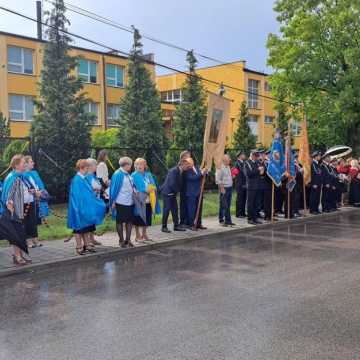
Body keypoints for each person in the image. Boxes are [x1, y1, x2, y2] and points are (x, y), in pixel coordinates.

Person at [68, 159, 106, 255]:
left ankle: (87, 244)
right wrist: (78, 208)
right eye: (86, 168)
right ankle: (79, 246)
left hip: (87, 206)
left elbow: (88, 192)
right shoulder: (77, 180)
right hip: (80, 208)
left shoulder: (83, 178)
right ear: (82, 168)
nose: (87, 170)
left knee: (87, 226)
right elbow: (76, 196)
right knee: (79, 228)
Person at [0, 155, 31, 266]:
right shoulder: (15, 178)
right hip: (14, 212)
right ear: (17, 165)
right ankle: (18, 257)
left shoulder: (14, 176)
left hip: (16, 210)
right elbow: (9, 195)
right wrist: (11, 208)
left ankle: (19, 255)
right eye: (23, 163)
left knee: (17, 234)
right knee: (16, 235)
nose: (25, 164)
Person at [131, 158, 161, 242]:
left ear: (145, 166)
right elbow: (135, 187)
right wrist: (145, 190)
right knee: (138, 217)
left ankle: (144, 234)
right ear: (135, 166)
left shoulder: (148, 174)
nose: (139, 166)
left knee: (147, 218)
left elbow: (153, 184)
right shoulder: (133, 175)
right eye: (137, 164)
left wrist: (153, 188)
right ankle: (137, 235)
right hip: (139, 200)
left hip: (149, 199)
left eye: (141, 164)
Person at [110, 157, 136, 247]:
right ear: (127, 164)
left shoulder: (127, 174)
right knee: (120, 221)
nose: (131, 166)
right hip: (120, 202)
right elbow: (114, 189)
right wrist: (113, 201)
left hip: (130, 202)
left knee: (129, 221)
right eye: (130, 165)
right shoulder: (118, 174)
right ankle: (121, 240)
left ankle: (128, 240)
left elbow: (132, 185)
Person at [161, 158, 191, 233]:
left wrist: (176, 192)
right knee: (166, 210)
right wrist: (177, 192)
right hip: (167, 193)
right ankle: (164, 227)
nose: (187, 167)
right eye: (186, 165)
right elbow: (172, 184)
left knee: (175, 210)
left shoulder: (181, 171)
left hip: (173, 193)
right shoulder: (174, 171)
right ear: (182, 164)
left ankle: (176, 226)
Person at [23, 156, 49, 226]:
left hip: (40, 199)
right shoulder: (23, 176)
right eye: (31, 162)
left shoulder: (34, 173)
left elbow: (41, 186)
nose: (33, 163)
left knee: (39, 224)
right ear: (25, 164)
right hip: (31, 202)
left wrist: (42, 193)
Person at [184, 158, 206, 230]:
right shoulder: (187, 171)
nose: (188, 165)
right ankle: (191, 225)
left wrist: (205, 172)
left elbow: (201, 176)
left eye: (189, 163)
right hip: (191, 193)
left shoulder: (197, 168)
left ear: (192, 162)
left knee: (199, 209)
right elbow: (193, 178)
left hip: (198, 192)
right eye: (187, 163)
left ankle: (199, 224)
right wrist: (201, 173)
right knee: (191, 210)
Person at [86, 158, 103, 246]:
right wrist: (94, 189)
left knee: (93, 221)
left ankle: (92, 238)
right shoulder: (87, 176)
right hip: (90, 202)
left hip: (96, 201)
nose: (96, 167)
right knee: (89, 220)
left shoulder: (93, 175)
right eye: (95, 165)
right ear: (90, 166)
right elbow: (86, 189)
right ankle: (88, 240)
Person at [216, 154, 235, 226]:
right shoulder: (220, 167)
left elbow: (227, 177)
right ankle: (222, 220)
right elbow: (218, 179)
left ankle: (228, 220)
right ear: (224, 160)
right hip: (224, 188)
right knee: (223, 205)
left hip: (229, 188)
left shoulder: (228, 167)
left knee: (228, 205)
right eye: (228, 159)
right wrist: (222, 188)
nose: (230, 160)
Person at [244, 150, 262, 225]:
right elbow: (249, 174)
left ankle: (255, 218)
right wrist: (258, 170)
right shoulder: (247, 163)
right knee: (250, 203)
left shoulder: (257, 162)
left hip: (257, 185)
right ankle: (250, 218)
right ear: (252, 155)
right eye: (255, 156)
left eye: (257, 156)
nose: (256, 158)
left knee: (256, 203)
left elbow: (259, 173)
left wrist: (261, 171)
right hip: (251, 186)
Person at [179, 150, 191, 227]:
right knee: (183, 205)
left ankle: (187, 221)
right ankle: (182, 221)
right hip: (183, 188)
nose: (189, 158)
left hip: (188, 188)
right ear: (183, 157)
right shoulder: (181, 165)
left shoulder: (189, 165)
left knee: (187, 205)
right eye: (188, 156)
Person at [233, 151, 247, 218]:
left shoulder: (244, 163)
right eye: (243, 154)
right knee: (239, 199)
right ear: (240, 156)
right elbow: (235, 174)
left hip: (244, 184)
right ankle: (238, 213)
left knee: (244, 198)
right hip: (239, 184)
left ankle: (243, 212)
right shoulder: (236, 164)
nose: (244, 155)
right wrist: (239, 183)